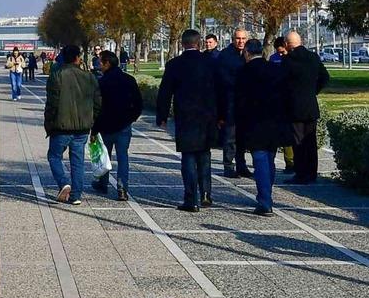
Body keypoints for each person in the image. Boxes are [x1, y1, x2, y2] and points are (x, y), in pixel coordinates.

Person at [156, 29, 219, 212]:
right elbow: (220, 90)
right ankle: (206, 193)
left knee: (188, 157)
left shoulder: (175, 64)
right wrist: (221, 116)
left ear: (183, 44)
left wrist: (162, 116)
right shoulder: (210, 63)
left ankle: (191, 199)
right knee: (205, 155)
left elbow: (165, 92)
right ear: (199, 43)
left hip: (186, 116)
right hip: (207, 116)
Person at [235, 39, 292, 216]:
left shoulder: (244, 72)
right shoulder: (276, 69)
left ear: (247, 53)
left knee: (259, 160)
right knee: (270, 158)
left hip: (254, 122)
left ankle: (265, 200)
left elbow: (239, 101)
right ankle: (267, 193)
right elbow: (286, 94)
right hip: (274, 120)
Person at [44, 45, 102, 205]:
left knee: (54, 156)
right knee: (78, 161)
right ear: (78, 57)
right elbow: (97, 103)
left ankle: (64, 183)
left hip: (61, 126)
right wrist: (93, 122)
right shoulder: (89, 77)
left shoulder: (57, 75)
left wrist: (48, 124)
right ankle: (76, 195)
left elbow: (52, 104)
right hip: (83, 127)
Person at [91, 50, 143, 201]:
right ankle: (122, 189)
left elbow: (97, 108)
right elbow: (139, 103)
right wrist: (131, 118)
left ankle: (103, 183)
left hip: (105, 126)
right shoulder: (129, 79)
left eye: (100, 62)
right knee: (123, 157)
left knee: (103, 157)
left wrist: (94, 129)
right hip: (124, 126)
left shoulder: (102, 82)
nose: (98, 65)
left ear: (107, 63)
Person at [282, 31, 330, 184]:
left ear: (287, 44)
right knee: (310, 141)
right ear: (300, 41)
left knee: (298, 140)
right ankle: (312, 172)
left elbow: (282, 83)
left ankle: (301, 173)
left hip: (294, 106)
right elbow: (325, 77)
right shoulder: (313, 57)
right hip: (310, 104)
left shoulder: (288, 60)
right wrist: (313, 91)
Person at [216, 29, 251, 178]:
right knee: (230, 137)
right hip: (230, 101)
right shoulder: (225, 55)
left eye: (243, 38)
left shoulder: (248, 54)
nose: (241, 41)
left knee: (243, 136)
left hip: (245, 102)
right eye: (238, 38)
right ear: (233, 39)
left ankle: (241, 164)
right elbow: (222, 80)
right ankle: (228, 166)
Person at [269, 36, 294, 174]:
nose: (280, 54)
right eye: (278, 52)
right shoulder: (273, 59)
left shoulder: (291, 60)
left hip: (289, 100)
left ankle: (291, 162)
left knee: (289, 134)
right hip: (276, 99)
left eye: (282, 52)